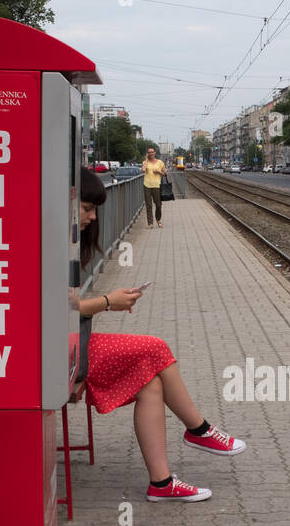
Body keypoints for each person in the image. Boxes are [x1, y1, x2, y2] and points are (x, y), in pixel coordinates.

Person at [77, 168, 245, 501]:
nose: (93, 217)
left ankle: (161, 483)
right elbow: (53, 309)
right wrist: (108, 302)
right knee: (156, 348)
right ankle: (198, 429)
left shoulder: (58, 241)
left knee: (151, 382)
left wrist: (107, 302)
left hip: (66, 346)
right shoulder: (47, 244)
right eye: (86, 209)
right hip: (54, 354)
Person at [142, 146, 167, 229]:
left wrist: (158, 171)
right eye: (149, 152)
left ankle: (158, 220)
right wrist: (146, 159)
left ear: (155, 153)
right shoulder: (145, 162)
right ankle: (150, 223)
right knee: (149, 205)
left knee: (158, 205)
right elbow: (143, 170)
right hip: (147, 186)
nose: (151, 153)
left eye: (152, 152)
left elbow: (165, 173)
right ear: (147, 153)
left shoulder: (160, 162)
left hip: (157, 186)